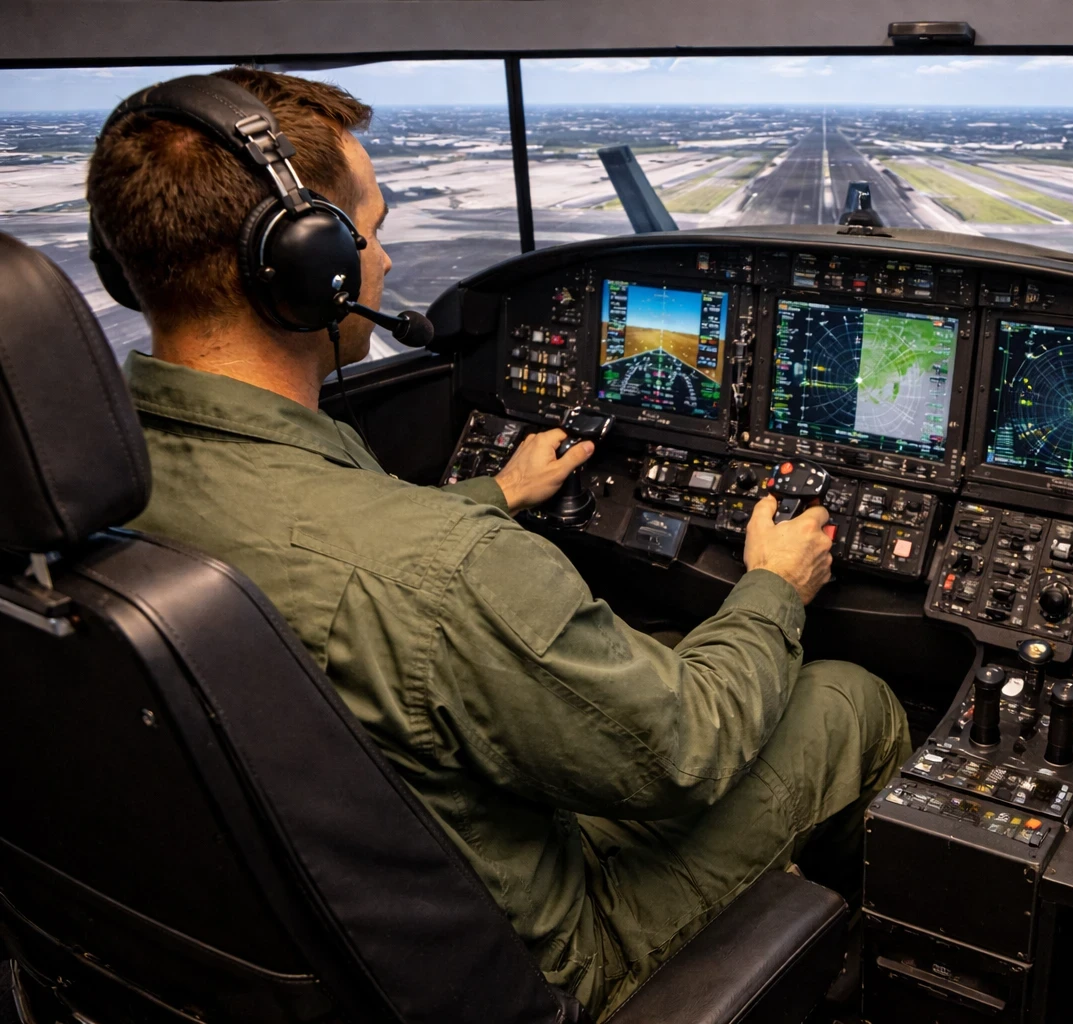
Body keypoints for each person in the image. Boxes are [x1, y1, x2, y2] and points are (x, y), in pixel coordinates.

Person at [88, 67, 910, 1018]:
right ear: (310, 268)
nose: (383, 264)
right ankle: (842, 975)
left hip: (303, 937)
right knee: (851, 696)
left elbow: (353, 563)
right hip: (543, 960)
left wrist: (497, 492)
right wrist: (770, 585)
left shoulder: (96, 484)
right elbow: (681, 752)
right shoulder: (442, 570)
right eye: (371, 231)